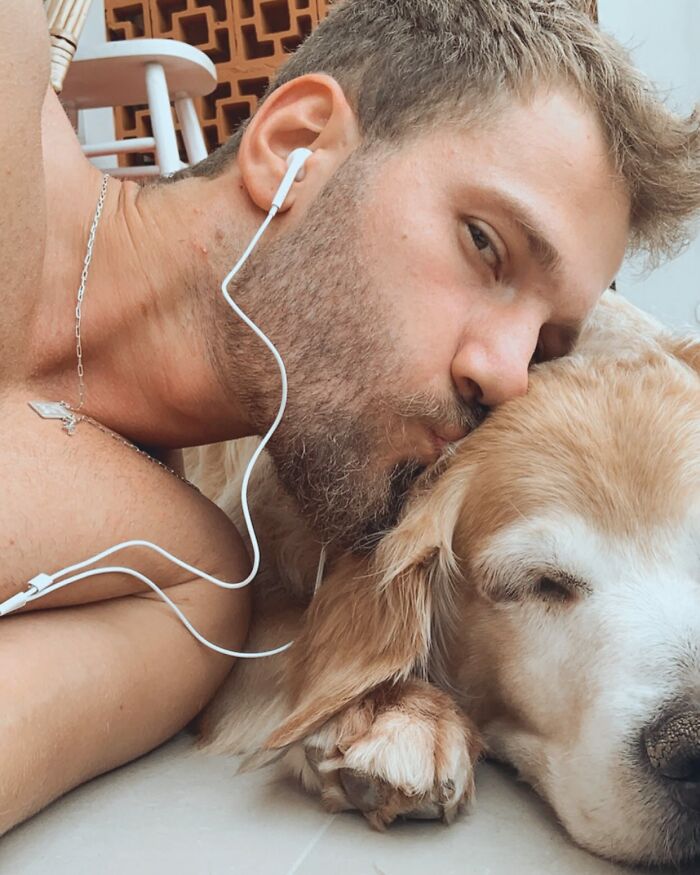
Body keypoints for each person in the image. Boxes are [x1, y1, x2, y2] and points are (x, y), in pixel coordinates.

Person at [1, 0, 697, 835]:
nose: (506, 375)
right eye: (485, 244)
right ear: (296, 147)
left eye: (548, 341)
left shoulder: (184, 591)